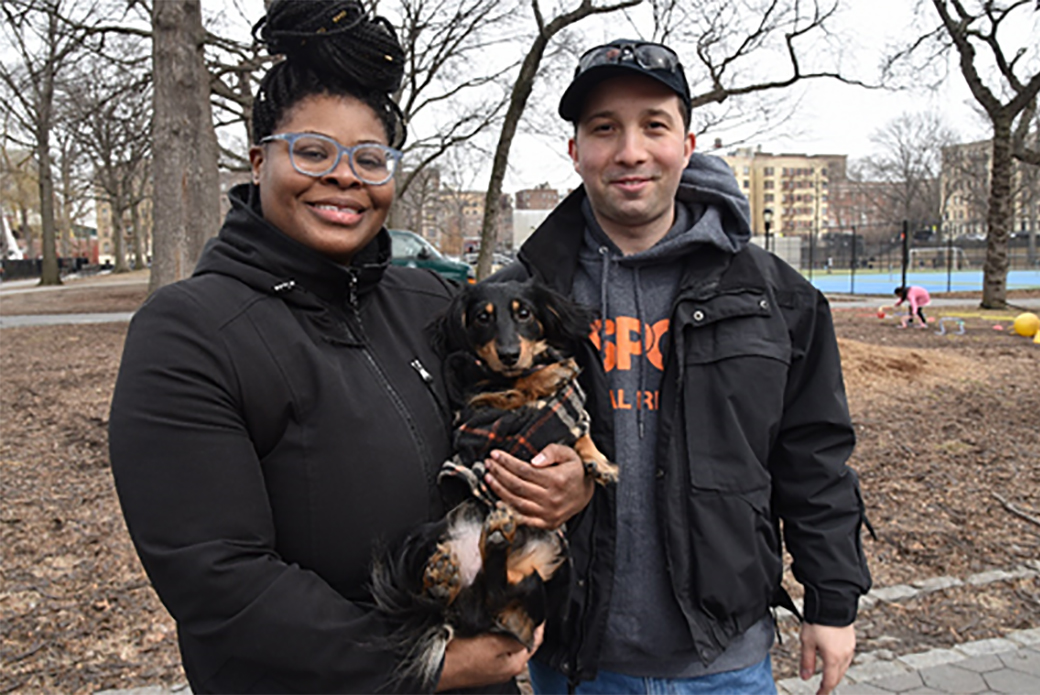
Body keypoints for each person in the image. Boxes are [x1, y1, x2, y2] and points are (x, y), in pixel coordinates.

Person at [108, 2, 590, 691]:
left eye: (369, 158)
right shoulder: (190, 332)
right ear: (257, 160)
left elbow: (513, 417)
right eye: (311, 151)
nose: (344, 176)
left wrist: (564, 479)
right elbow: (220, 581)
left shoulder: (429, 303)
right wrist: (429, 663)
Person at [485, 40, 872, 695]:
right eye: (604, 128)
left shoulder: (778, 297)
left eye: (653, 125)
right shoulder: (517, 302)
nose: (630, 150)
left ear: (687, 143)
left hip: (725, 658)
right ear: (575, 150)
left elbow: (812, 456)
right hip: (576, 655)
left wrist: (832, 602)